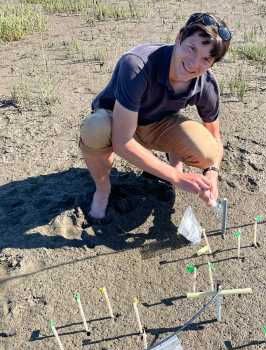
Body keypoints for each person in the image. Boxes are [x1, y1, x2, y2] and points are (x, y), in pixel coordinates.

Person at [79, 12, 232, 223]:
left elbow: (215, 136)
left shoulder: (206, 84)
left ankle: (171, 158)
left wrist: (212, 173)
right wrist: (176, 177)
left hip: (158, 124)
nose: (194, 63)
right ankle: (103, 189)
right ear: (179, 38)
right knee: (94, 129)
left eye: (206, 58)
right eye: (191, 48)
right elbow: (123, 142)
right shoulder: (137, 65)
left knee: (208, 152)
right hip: (116, 123)